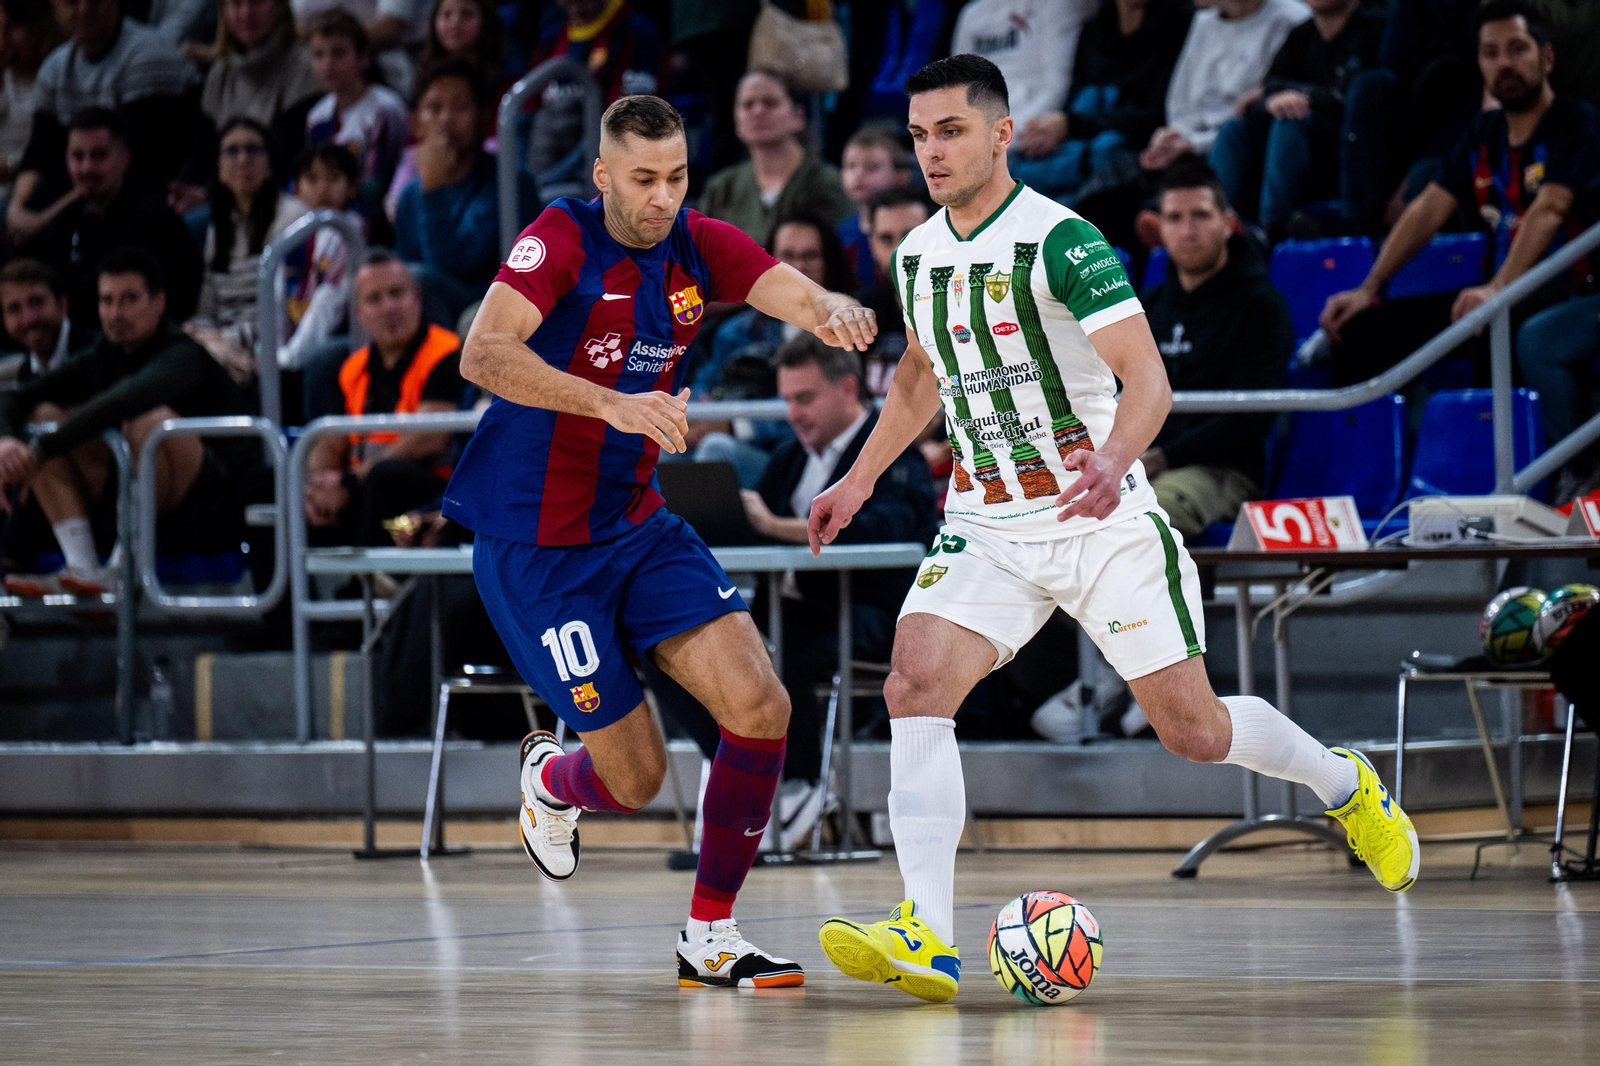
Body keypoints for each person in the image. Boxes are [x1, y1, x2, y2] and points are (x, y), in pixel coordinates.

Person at [807, 55, 1418, 1004]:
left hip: (1102, 520)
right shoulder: (917, 253)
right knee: (914, 682)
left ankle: (1344, 783)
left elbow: (1150, 380)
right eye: (920, 135)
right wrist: (857, 477)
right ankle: (925, 933)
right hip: (988, 523)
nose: (931, 151)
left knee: (1195, 732)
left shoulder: (1065, 241)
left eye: (952, 132)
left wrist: (1110, 457)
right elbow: (919, 378)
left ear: (1001, 133)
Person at [442, 94, 877, 988]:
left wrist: (828, 304)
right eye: (642, 179)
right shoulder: (560, 238)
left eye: (676, 177)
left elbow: (775, 284)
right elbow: (481, 355)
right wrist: (609, 401)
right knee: (633, 779)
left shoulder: (696, 244)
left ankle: (710, 936)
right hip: (537, 551)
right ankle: (554, 782)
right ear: (602, 175)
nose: (662, 197)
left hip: (635, 523)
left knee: (762, 706)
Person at [1319, 2, 1600, 387]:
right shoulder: (1483, 132)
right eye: (1490, 53)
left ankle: (1510, 448)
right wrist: (1369, 287)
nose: (1504, 63)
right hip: (1497, 294)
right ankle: (1358, 446)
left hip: (1567, 291)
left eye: (1518, 49)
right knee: (1361, 330)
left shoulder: (1577, 122)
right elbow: (1427, 210)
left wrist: (1498, 289)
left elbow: (1550, 208)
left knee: (1487, 326)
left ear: (1546, 57)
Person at [737, 335, 936, 850]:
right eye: (786, 400)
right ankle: (759, 783)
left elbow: (892, 533)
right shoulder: (788, 459)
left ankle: (802, 782)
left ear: (848, 388)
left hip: (874, 615)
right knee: (730, 648)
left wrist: (779, 526)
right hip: (797, 613)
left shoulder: (895, 454)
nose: (792, 413)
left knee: (786, 653)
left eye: (804, 399)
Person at [0, 248, 248, 596]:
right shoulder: (104, 354)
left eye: (129, 299)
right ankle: (83, 566)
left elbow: (123, 400)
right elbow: (14, 396)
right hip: (126, 494)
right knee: (43, 415)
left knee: (150, 423)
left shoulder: (182, 353)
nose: (116, 313)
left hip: (210, 500)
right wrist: (8, 443)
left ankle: (122, 568)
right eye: (107, 301)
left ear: (159, 302)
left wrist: (39, 451)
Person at [1140, 160, 1291, 537]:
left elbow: (1251, 418)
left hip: (1225, 470)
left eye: (1201, 216)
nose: (1188, 230)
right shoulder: (1148, 306)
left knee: (1146, 518)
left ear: (1227, 223)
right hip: (1142, 465)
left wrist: (1163, 457)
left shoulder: (1261, 305)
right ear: (1160, 229)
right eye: (1174, 218)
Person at [303, 249, 464, 546]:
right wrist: (320, 487)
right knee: (272, 486)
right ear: (359, 313)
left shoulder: (448, 353)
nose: (388, 307)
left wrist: (351, 481)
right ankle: (291, 592)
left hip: (432, 491)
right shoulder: (351, 368)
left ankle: (369, 584)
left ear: (416, 297)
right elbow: (330, 442)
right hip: (362, 487)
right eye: (374, 299)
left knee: (386, 478)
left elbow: (429, 438)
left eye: (396, 293)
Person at [7, 0, 198, 245]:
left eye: (94, 1)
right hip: (80, 183)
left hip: (142, 188)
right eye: (71, 2)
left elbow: (133, 162)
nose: (84, 10)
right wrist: (18, 208)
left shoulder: (147, 54)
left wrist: (44, 217)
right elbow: (38, 154)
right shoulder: (54, 67)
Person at [1208, 0, 1388, 234]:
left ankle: (1272, 231)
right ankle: (1215, 225)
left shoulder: (1377, 27)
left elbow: (1346, 96)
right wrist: (1273, 101)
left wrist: (1294, 96)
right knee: (1233, 131)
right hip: (1298, 155)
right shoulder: (1301, 35)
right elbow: (1257, 99)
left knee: (1290, 123)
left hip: (1350, 159)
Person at [27, 109, 202, 331]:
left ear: (125, 159)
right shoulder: (64, 222)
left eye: (99, 156)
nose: (87, 167)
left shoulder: (155, 223)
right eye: (77, 156)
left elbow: (168, 311)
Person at [1010, 0, 1194, 200]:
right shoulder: (1093, 31)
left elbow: (1158, 116)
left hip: (1133, 152)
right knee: (1011, 168)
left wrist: (1070, 124)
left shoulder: (1181, 23)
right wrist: (1051, 132)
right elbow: (1075, 101)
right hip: (1081, 148)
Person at [185, 117, 309, 386]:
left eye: (253, 149)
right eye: (232, 151)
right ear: (218, 166)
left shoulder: (292, 217)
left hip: (270, 341)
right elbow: (207, 308)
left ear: (270, 163)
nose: (243, 160)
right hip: (221, 345)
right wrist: (204, 333)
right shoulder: (217, 226)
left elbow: (285, 312)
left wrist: (221, 339)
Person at [171, 0, 322, 212]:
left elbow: (286, 161)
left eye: (257, 3)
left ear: (279, 6)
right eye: (236, 3)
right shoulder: (220, 71)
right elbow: (200, 154)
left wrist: (210, 195)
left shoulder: (306, 69)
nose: (246, 13)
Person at [1142, 0, 1310, 175]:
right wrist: (1173, 137)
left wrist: (1195, 144)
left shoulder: (1291, 19)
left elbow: (1249, 115)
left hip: (1246, 150)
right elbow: (1180, 104)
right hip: (1194, 146)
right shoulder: (1202, 21)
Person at [699, 69, 854, 246]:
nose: (757, 111)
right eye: (747, 105)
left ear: (799, 116)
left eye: (770, 103)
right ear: (736, 119)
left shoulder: (828, 183)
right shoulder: (721, 188)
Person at [393, 59, 500, 313]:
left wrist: (433, 191)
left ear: (483, 117)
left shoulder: (507, 184)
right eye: (434, 108)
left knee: (418, 279)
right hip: (423, 319)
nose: (446, 119)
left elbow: (451, 270)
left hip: (487, 313)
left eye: (460, 108)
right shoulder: (409, 195)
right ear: (416, 122)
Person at [526, 0, 660, 197]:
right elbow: (527, 114)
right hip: (547, 176)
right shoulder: (550, 39)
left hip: (605, 180)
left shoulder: (636, 31)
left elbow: (631, 123)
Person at [304, 9, 409, 214]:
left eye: (338, 53)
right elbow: (310, 175)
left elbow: (380, 184)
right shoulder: (316, 116)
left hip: (374, 219)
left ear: (363, 58)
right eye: (318, 55)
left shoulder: (384, 109)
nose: (327, 64)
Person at [950, 0, 1095, 133]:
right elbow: (958, 88)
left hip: (1028, 129)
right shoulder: (971, 14)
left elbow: (1057, 87)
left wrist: (1000, 137)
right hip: (979, 131)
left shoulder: (1057, 5)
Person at [280, 142, 360, 373]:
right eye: (312, 179)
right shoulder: (290, 232)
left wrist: (291, 355)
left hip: (337, 332)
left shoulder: (352, 230)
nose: (323, 188)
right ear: (295, 188)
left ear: (353, 186)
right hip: (292, 340)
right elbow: (276, 296)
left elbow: (330, 301)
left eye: (334, 178)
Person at [859, 183, 934, 393]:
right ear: (872, 245)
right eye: (886, 239)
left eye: (910, 236)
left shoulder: (967, 305)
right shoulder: (860, 311)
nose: (898, 251)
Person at [0, 0, 63, 208]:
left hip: (36, 194)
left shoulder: (59, 76)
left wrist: (11, 167)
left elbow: (54, 152)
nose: (3, 39)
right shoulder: (4, 79)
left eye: (12, 27)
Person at [837, 125, 912, 289]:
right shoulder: (841, 232)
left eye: (872, 167)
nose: (858, 175)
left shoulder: (916, 226)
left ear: (901, 176)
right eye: (850, 166)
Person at [0, 257, 93, 386]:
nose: (29, 319)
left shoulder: (98, 355)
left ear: (62, 305)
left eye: (36, 302)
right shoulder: (25, 373)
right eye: (14, 309)